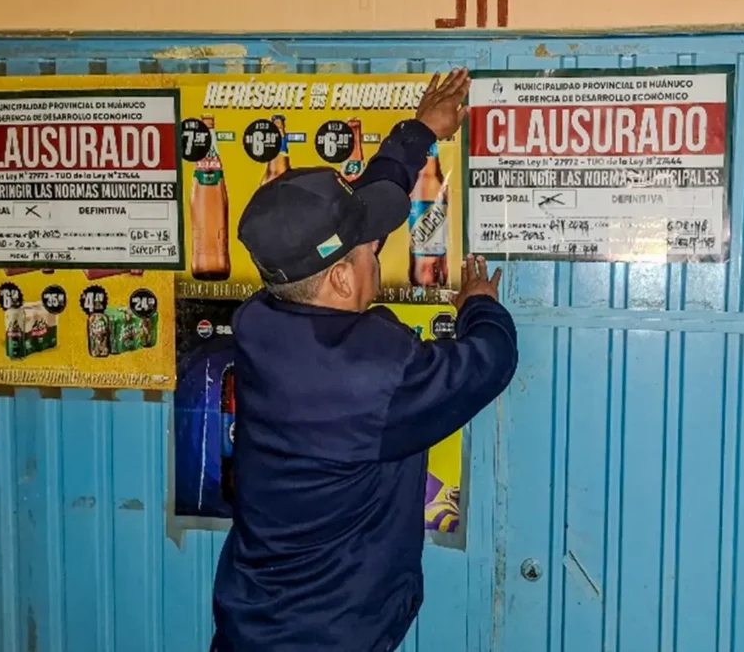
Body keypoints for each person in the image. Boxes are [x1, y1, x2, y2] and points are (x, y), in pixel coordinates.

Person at [210, 69, 519, 652]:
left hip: (251, 626)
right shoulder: (371, 373)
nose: (379, 247)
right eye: (370, 247)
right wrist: (480, 306)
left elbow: (362, 207)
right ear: (340, 278)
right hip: (324, 639)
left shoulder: (259, 321)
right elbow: (490, 362)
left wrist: (418, 134)